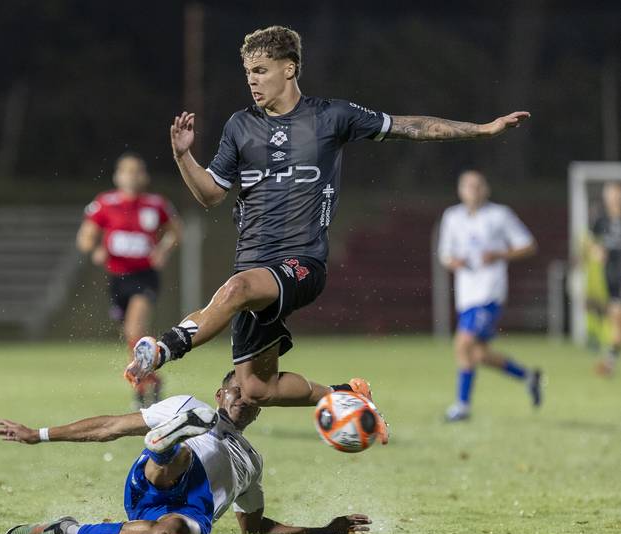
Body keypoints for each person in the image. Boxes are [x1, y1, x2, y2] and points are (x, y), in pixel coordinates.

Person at [125, 25, 531, 411]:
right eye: (248, 72)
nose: (252, 80)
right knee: (254, 388)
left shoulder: (331, 116)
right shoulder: (240, 126)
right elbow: (210, 194)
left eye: (261, 71)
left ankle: (164, 347)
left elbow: (412, 127)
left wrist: (481, 129)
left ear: (289, 68)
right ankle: (347, 396)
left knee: (234, 291)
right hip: (253, 265)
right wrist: (183, 157)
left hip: (301, 263)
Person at [0, 372, 375, 534]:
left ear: (260, 409)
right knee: (183, 456)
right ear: (219, 393)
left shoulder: (253, 462)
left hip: (190, 511)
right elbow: (111, 426)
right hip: (158, 476)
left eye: (250, 398)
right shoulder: (187, 404)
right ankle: (168, 443)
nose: (241, 399)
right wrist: (38, 435)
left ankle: (68, 530)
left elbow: (255, 529)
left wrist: (325, 529)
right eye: (234, 391)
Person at [76, 152, 183, 407]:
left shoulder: (156, 204)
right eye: (126, 171)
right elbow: (85, 238)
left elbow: (176, 232)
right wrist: (96, 249)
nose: (131, 176)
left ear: (144, 177)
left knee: (135, 328)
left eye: (137, 171)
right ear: (117, 176)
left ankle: (140, 385)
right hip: (117, 279)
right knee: (131, 335)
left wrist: (163, 250)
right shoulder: (104, 203)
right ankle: (151, 381)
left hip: (145, 277)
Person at [437, 170, 542, 422]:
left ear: (486, 189)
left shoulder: (500, 215)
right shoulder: (451, 217)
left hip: (490, 293)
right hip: (466, 295)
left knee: (462, 343)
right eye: (468, 186)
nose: (473, 190)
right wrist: (454, 261)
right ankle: (528, 377)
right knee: (479, 354)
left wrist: (499, 254)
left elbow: (528, 245)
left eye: (478, 185)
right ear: (460, 190)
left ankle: (462, 406)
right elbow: (444, 254)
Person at [589, 181, 621, 377]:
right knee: (617, 322)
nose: (614, 199)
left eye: (617, 195)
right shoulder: (600, 220)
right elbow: (591, 243)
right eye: (610, 195)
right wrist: (596, 251)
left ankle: (609, 362)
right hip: (612, 278)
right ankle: (609, 361)